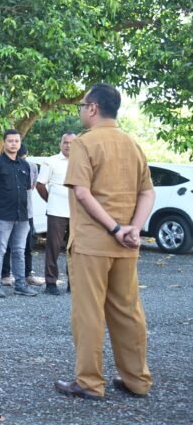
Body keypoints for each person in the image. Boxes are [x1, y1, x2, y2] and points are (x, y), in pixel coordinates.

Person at [55, 84, 155, 400]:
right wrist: (133, 229)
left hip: (92, 244)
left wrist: (114, 229)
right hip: (126, 245)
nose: (81, 110)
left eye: (82, 105)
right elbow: (147, 192)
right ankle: (137, 380)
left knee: (89, 313)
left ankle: (89, 382)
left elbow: (82, 192)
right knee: (128, 312)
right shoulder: (132, 144)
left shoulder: (84, 143)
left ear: (93, 108)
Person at [0, 130, 38, 298]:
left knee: (19, 250)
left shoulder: (25, 165)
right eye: (10, 141)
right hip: (2, 215)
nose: (14, 144)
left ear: (20, 143)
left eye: (16, 141)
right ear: (4, 143)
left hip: (22, 215)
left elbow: (27, 189)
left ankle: (20, 285)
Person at [36, 132, 77, 295]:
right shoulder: (51, 161)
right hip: (56, 212)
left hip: (77, 213)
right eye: (65, 142)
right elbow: (40, 185)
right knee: (53, 248)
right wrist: (51, 200)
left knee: (75, 249)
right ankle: (51, 283)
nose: (68, 145)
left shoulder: (83, 162)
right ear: (60, 144)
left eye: (72, 143)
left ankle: (73, 283)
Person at [1, 143, 45, 287]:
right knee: (6, 244)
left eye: (23, 158)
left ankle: (27, 274)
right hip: (8, 212)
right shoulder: (2, 165)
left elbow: (32, 186)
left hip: (27, 212)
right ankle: (5, 275)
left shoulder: (32, 167)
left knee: (28, 244)